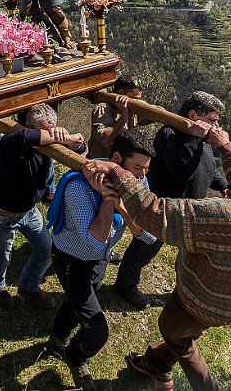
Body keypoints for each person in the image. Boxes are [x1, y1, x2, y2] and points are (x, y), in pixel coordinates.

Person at [88, 138, 231, 391]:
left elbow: (152, 211)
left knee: (175, 331)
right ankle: (155, 365)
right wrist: (225, 145)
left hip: (206, 298)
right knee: (187, 329)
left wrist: (117, 172)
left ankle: (206, 386)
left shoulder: (220, 215)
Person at [44, 129, 155, 391]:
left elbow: (150, 236)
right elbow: (94, 241)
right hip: (73, 260)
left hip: (99, 259)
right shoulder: (79, 188)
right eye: (138, 167)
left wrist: (123, 207)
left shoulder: (135, 183)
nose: (141, 176)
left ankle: (57, 338)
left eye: (146, 169)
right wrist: (107, 201)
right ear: (116, 157)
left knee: (78, 299)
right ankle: (75, 356)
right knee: (97, 331)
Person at [114, 91, 230, 309]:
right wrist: (197, 136)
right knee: (144, 249)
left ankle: (184, 289)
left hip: (192, 210)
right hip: (163, 208)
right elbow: (184, 170)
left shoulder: (202, 142)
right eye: (212, 120)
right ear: (194, 115)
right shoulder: (168, 135)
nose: (216, 127)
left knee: (190, 255)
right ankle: (125, 285)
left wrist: (223, 185)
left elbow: (206, 168)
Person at [0, 103, 86, 311]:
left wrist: (76, 144)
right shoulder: (11, 141)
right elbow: (27, 138)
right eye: (44, 131)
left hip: (29, 211)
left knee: (46, 249)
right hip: (3, 213)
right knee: (3, 256)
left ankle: (28, 286)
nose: (49, 136)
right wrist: (63, 137)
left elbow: (81, 150)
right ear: (28, 125)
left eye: (52, 130)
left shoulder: (48, 142)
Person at [88, 76, 143, 159]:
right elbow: (105, 140)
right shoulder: (104, 108)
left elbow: (148, 118)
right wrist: (123, 116)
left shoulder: (133, 110)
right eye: (135, 99)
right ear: (121, 93)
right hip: (99, 162)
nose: (137, 102)